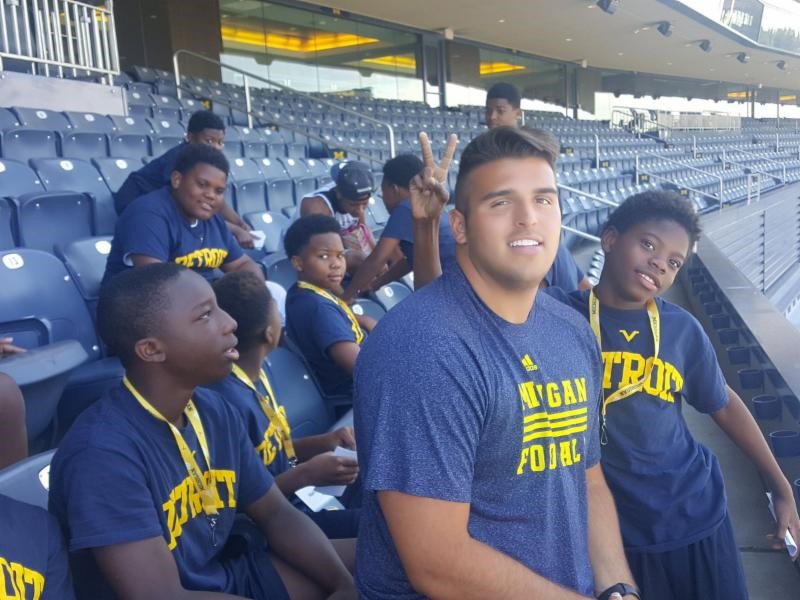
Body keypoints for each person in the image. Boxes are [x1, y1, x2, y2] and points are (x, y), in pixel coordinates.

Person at [354, 126, 638, 599]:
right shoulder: (421, 350)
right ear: (461, 227)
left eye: (544, 200)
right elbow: (438, 562)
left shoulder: (570, 331)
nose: (529, 218)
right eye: (501, 202)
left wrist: (618, 590)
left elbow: (586, 481)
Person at [548, 190, 800, 600]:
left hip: (694, 517)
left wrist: (780, 486)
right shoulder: (559, 318)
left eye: (673, 262)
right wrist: (427, 228)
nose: (658, 264)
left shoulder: (682, 330)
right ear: (610, 239)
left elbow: (723, 403)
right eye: (648, 244)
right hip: (611, 533)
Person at [49, 263, 356, 599]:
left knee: (389, 558)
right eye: (205, 315)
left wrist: (343, 586)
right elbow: (160, 595)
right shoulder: (102, 454)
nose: (231, 323)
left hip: (225, 574)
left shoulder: (214, 409)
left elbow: (276, 514)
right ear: (151, 349)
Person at [208, 271, 361, 543]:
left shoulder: (258, 374)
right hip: (272, 526)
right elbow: (240, 503)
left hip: (296, 498)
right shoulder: (225, 401)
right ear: (270, 332)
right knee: (383, 525)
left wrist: (324, 442)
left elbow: (273, 454)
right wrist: (306, 474)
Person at [101, 144, 263, 286]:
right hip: (143, 311)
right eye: (202, 184)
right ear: (177, 180)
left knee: (268, 294)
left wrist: (253, 292)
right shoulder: (148, 214)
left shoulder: (214, 221)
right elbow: (157, 284)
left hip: (197, 305)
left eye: (219, 191)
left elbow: (242, 265)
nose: (211, 195)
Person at [485, 82, 591, 292]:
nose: (492, 117)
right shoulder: (485, 162)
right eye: (488, 111)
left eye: (500, 111)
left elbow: (585, 290)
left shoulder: (557, 253)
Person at [114, 110, 254, 248]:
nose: (216, 147)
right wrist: (235, 230)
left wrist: (238, 222)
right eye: (209, 141)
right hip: (133, 197)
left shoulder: (206, 163)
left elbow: (215, 200)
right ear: (190, 137)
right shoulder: (181, 160)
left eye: (220, 142)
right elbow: (189, 204)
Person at [341, 152, 456, 301]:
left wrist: (345, 297)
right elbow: (409, 262)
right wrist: (375, 284)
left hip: (451, 285)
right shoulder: (426, 203)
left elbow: (376, 260)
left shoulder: (406, 207)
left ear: (394, 189)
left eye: (383, 192)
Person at [284, 216, 375, 400]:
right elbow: (364, 370)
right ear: (298, 263)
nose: (336, 264)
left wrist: (364, 320)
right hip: (357, 398)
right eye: (324, 256)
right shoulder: (318, 308)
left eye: (340, 255)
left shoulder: (302, 292)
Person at [296, 161, 377, 274]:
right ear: (339, 194)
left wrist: (378, 258)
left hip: (336, 249)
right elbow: (321, 255)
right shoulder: (316, 206)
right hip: (307, 254)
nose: (360, 211)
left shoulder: (357, 199)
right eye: (353, 205)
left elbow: (363, 231)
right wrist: (344, 292)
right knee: (362, 261)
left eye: (364, 204)